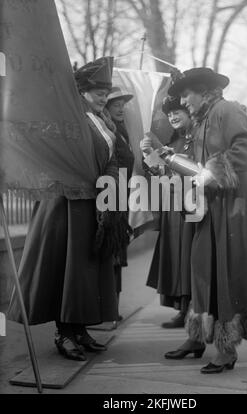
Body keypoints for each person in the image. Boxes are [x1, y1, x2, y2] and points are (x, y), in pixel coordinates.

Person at [165, 67, 247, 373]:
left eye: (187, 95)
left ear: (203, 91)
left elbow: (246, 148)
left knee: (227, 270)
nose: (184, 101)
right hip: (211, 203)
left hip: (235, 202)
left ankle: (226, 349)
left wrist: (212, 172)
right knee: (202, 267)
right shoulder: (201, 119)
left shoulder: (227, 110)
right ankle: (197, 337)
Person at [8, 57, 121, 361]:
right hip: (64, 207)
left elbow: (112, 157)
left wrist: (107, 181)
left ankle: (79, 329)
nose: (103, 97)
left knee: (83, 272)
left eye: (106, 92)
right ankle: (64, 333)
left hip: (91, 203)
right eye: (98, 91)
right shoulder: (69, 120)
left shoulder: (105, 122)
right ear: (82, 91)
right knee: (67, 269)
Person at [140, 97, 200, 338]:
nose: (173, 117)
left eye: (178, 112)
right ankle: (182, 308)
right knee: (176, 256)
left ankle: (192, 308)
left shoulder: (196, 137)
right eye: (170, 113)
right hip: (173, 205)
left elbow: (197, 170)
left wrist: (170, 160)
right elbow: (161, 171)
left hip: (192, 205)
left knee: (189, 256)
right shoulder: (173, 139)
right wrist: (149, 155)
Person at [106, 86, 135, 322]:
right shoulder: (106, 131)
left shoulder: (122, 131)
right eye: (116, 105)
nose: (121, 109)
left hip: (122, 198)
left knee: (118, 255)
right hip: (109, 198)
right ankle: (107, 310)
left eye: (122, 106)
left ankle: (112, 309)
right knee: (111, 253)